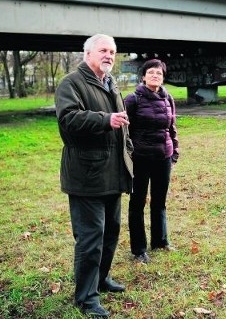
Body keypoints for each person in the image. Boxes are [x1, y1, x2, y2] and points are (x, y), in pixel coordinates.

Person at [55, 33, 134, 318]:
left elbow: (122, 125)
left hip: (113, 173)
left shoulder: (111, 84)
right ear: (88, 53)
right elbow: (68, 119)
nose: (109, 55)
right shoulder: (71, 83)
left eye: (112, 51)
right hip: (87, 175)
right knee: (90, 237)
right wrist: (105, 119)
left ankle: (101, 280)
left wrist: (128, 150)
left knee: (111, 232)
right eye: (103, 50)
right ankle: (86, 298)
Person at [124, 59, 179, 264]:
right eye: (151, 72)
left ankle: (160, 241)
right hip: (140, 159)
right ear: (144, 76)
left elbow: (172, 127)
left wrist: (174, 150)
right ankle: (139, 250)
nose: (155, 75)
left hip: (163, 157)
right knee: (137, 203)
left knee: (159, 201)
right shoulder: (133, 99)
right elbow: (124, 131)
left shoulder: (168, 98)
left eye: (159, 73)